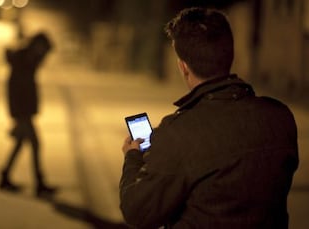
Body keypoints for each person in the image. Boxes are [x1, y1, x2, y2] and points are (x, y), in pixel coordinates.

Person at [120, 7, 299, 229]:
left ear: (183, 67)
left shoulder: (178, 132)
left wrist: (133, 158)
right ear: (230, 55)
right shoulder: (281, 117)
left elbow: (138, 212)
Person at [0, 32, 57, 198]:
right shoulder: (22, 62)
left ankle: (4, 176)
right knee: (35, 144)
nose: (44, 56)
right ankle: (39, 184)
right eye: (44, 51)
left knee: (20, 144)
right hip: (22, 113)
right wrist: (18, 114)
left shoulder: (27, 62)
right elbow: (15, 89)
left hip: (24, 112)